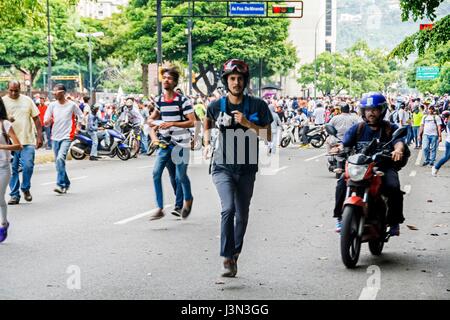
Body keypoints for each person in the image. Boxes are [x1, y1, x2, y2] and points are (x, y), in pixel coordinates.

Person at [203, 59, 273, 277]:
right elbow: (206, 123)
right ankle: (226, 257)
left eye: (240, 79)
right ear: (226, 81)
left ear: (245, 82)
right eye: (232, 78)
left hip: (246, 169)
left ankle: (235, 255)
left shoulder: (258, 106)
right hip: (222, 166)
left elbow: (268, 135)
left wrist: (248, 124)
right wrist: (206, 144)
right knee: (228, 209)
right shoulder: (216, 106)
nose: (236, 82)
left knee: (242, 215)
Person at [332, 93, 407, 236]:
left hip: (384, 167)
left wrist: (398, 150)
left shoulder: (390, 127)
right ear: (363, 112)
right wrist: (339, 148)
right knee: (342, 182)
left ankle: (394, 221)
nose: (370, 113)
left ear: (382, 110)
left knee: (393, 186)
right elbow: (345, 143)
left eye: (374, 109)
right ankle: (340, 218)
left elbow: (399, 141)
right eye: (367, 110)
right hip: (361, 167)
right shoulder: (358, 128)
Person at [148, 66, 195, 220]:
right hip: (165, 143)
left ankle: (188, 199)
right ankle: (160, 207)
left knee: (181, 176)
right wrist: (153, 127)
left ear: (174, 83)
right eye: (164, 78)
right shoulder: (159, 100)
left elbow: (192, 122)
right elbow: (152, 119)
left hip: (181, 143)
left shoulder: (183, 101)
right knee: (155, 173)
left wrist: (172, 123)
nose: (166, 80)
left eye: (169, 78)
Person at [2, 81, 43, 205]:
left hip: (27, 139)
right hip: (9, 142)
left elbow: (36, 118)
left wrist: (40, 136)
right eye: (11, 90)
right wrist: (6, 118)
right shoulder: (2, 101)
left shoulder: (27, 100)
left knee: (28, 166)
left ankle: (25, 188)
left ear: (21, 89)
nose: (14, 93)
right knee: (12, 169)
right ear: (7, 89)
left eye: (16, 90)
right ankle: (14, 195)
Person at [44, 84, 84, 194]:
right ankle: (66, 183)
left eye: (56, 91)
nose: (54, 94)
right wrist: (47, 121)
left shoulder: (72, 105)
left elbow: (81, 115)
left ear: (62, 92)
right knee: (58, 163)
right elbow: (46, 119)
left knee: (60, 159)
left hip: (67, 136)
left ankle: (60, 185)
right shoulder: (52, 105)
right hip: (55, 137)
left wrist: (78, 127)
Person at [0, 97, 23, 243]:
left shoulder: (5, 124)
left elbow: (18, 145)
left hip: (3, 166)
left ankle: (4, 223)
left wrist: (1, 147)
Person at [432, 110, 450, 176]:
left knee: (446, 157)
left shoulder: (447, 121)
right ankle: (436, 167)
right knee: (446, 157)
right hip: (449, 142)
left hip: (448, 142)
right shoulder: (449, 122)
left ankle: (436, 167)